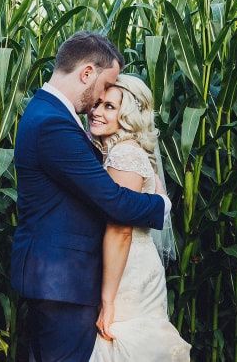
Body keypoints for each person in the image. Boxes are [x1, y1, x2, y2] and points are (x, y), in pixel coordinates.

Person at [10, 31, 171, 361]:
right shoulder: (52, 123)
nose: (100, 97)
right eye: (103, 86)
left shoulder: (46, 112)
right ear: (86, 73)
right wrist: (162, 204)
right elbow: (113, 200)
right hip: (62, 281)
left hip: (59, 280)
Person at [88, 74, 191, 361]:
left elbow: (120, 229)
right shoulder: (129, 152)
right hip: (135, 262)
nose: (96, 112)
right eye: (97, 104)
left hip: (126, 270)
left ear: (128, 116)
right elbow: (160, 202)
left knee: (118, 341)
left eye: (110, 107)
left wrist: (107, 301)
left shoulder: (124, 156)